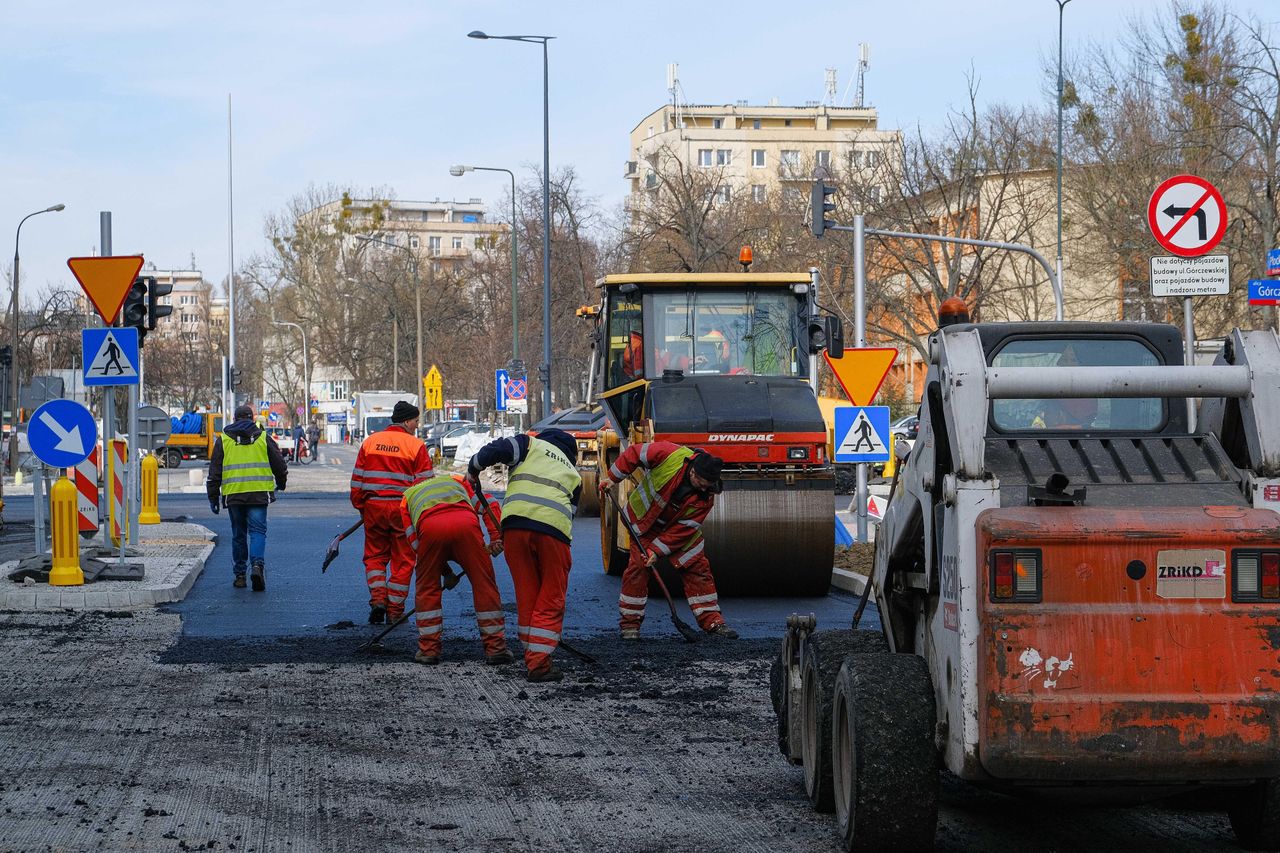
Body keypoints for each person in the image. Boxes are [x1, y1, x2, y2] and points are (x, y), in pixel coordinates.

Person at [468, 428, 581, 683]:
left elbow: (496, 449)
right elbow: (570, 513)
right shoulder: (574, 474)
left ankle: (533, 652)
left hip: (514, 527)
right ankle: (539, 664)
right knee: (551, 595)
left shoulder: (529, 445)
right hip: (553, 531)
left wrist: (474, 468)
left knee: (528, 592)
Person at [598, 441, 738, 640]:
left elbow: (684, 529)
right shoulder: (670, 454)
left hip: (679, 531)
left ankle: (713, 622)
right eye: (701, 483)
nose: (704, 488)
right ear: (693, 472)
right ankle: (630, 626)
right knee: (638, 569)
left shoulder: (706, 496)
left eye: (708, 486)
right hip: (644, 523)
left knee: (698, 568)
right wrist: (612, 478)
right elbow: (634, 453)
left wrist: (656, 550)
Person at [400, 473, 513, 666]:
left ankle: (428, 651)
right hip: (465, 525)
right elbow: (489, 503)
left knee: (427, 588)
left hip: (431, 529)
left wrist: (443, 572)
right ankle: (496, 649)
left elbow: (417, 545)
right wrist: (496, 537)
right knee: (484, 584)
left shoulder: (407, 497)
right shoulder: (456, 481)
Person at [351, 400, 432, 625]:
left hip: (374, 508)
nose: (417, 425)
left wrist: (361, 507)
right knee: (403, 560)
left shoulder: (370, 442)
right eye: (416, 420)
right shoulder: (416, 446)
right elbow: (424, 486)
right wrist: (421, 515)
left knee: (375, 556)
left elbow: (357, 479)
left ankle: (378, 599)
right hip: (402, 511)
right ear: (406, 421)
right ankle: (395, 611)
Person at [206, 404, 288, 591]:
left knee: (239, 534)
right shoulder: (263, 438)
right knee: (258, 532)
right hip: (259, 494)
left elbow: (215, 472)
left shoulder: (223, 440)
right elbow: (279, 465)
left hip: (234, 494)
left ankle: (240, 575)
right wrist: (281, 484)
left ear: (234, 419)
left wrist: (213, 497)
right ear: (252, 419)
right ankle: (257, 566)